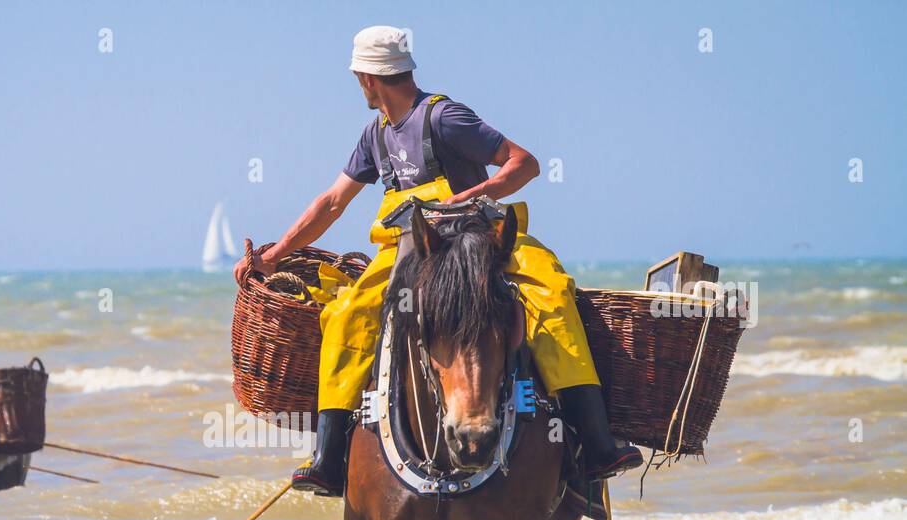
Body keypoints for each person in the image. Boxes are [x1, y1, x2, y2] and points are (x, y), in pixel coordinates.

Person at [237, 25, 641, 496]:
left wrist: (475, 194)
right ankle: (328, 458)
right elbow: (331, 202)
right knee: (346, 315)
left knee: (551, 296)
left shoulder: (445, 117)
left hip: (476, 242)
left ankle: (595, 443)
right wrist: (276, 254)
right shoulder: (376, 136)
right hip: (410, 250)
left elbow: (523, 163)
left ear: (367, 78)